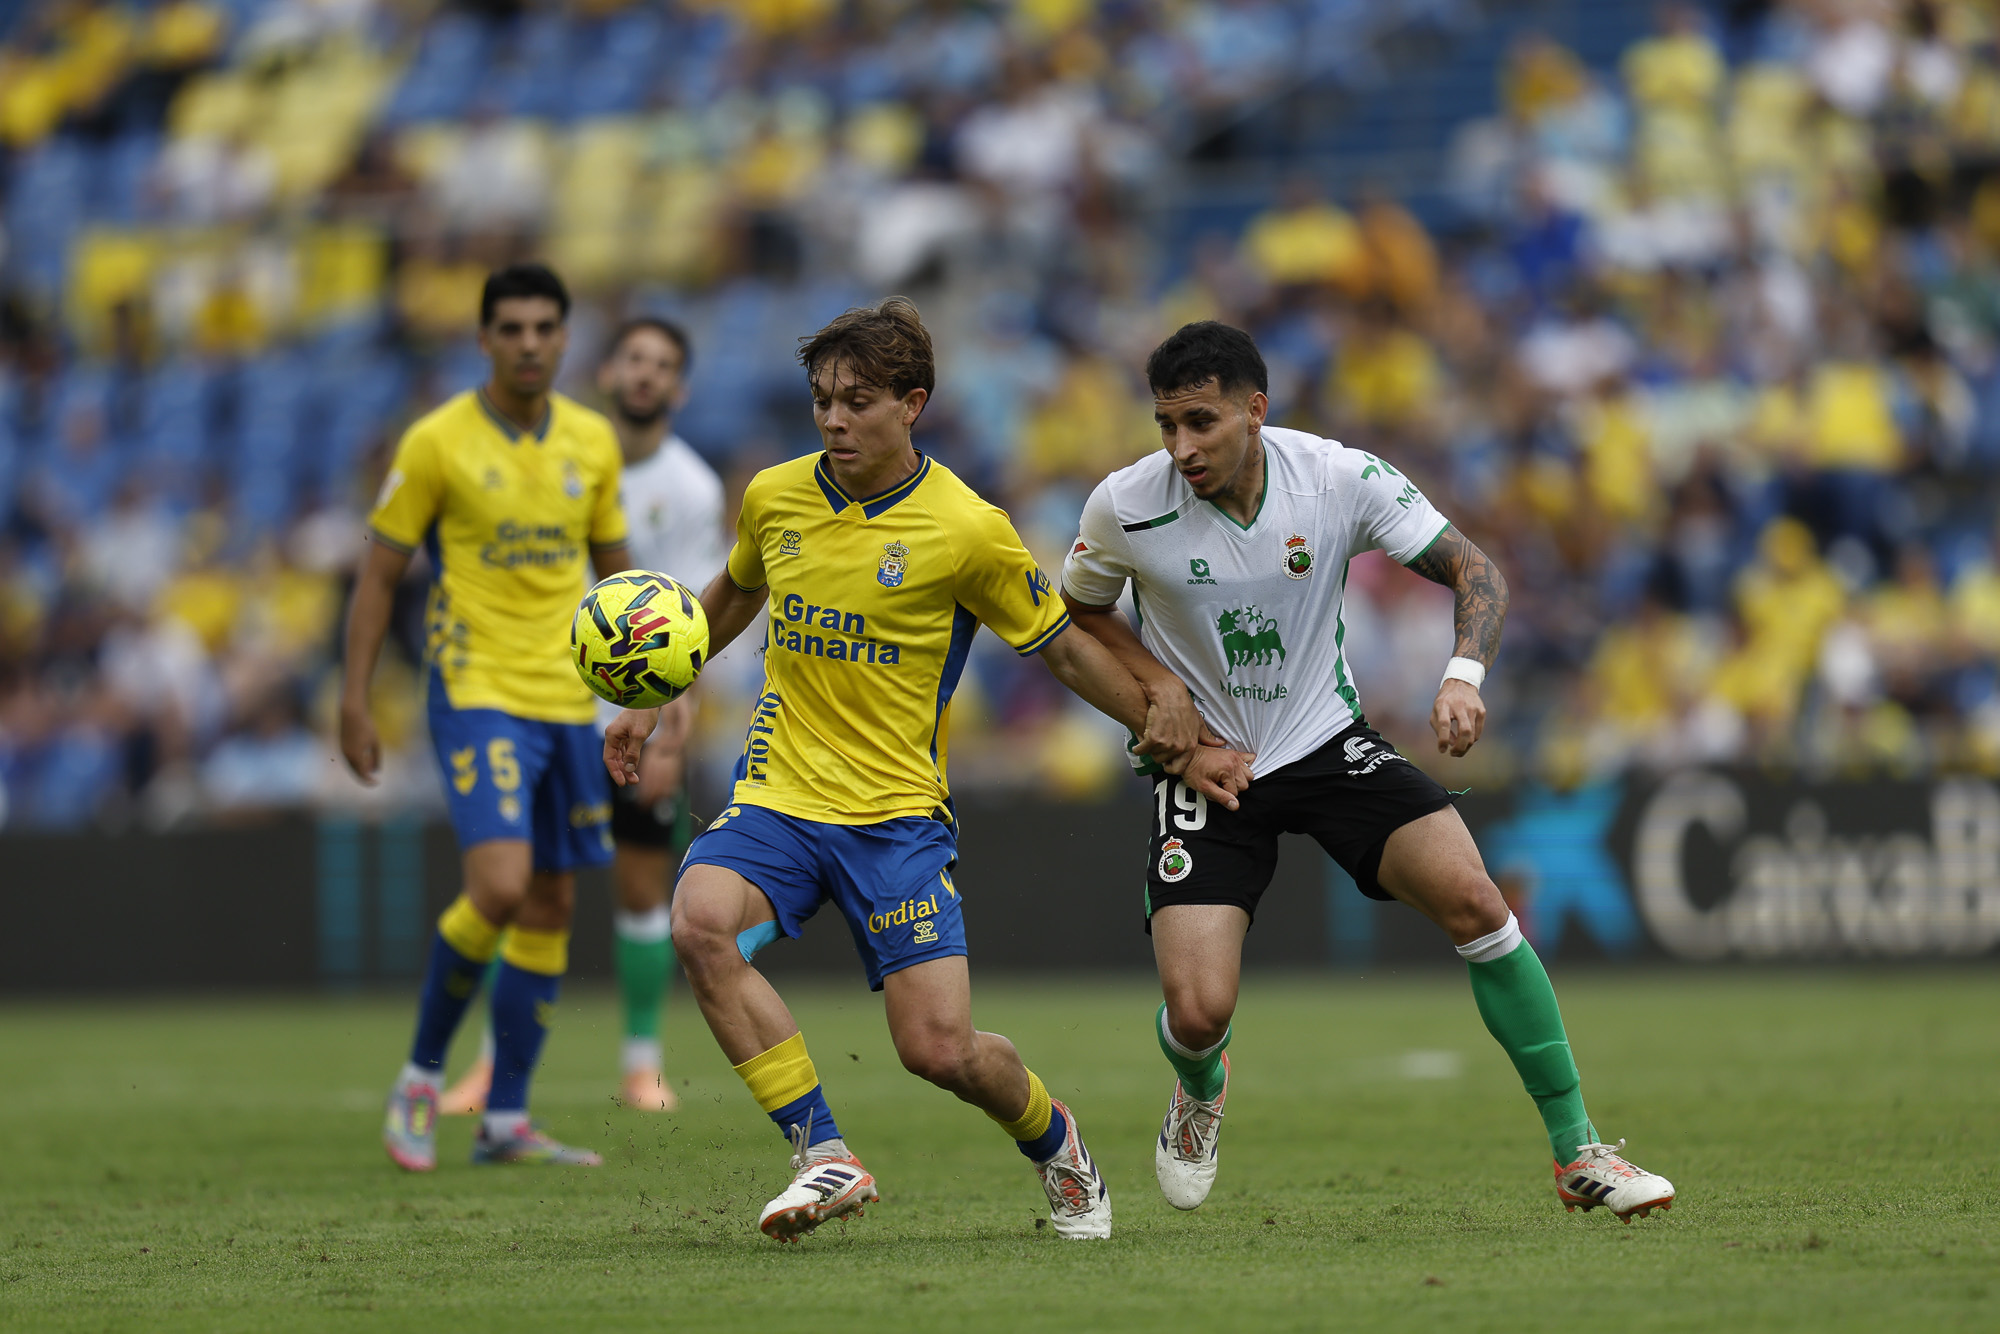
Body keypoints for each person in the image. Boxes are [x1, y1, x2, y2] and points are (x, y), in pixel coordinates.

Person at [603, 297, 1247, 1242]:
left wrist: (1177, 736)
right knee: (699, 924)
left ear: (913, 404)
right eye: (821, 398)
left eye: (856, 400)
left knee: (938, 1050)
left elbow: (1062, 648)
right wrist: (657, 690)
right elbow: (733, 593)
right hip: (778, 793)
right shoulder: (775, 497)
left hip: (897, 817)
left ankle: (1054, 1138)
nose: (832, 419)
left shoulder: (966, 528)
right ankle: (823, 1152)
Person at [1059, 321, 1676, 1222]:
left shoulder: (1337, 477)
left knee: (1478, 903)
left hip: (1323, 742)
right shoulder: (1124, 505)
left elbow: (1474, 567)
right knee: (1197, 1014)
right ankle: (1199, 1087)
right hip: (1209, 769)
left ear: (1254, 410)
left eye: (1201, 421)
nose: (1181, 447)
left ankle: (1580, 1151)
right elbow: (1075, 619)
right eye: (1165, 425)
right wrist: (1161, 695)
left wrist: (1463, 675)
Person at [342, 263, 629, 1170]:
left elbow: (624, 590)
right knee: (501, 886)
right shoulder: (435, 443)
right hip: (477, 690)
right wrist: (353, 698)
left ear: (566, 337)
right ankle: (422, 1077)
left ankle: (506, 1119)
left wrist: (648, 706)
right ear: (483, 340)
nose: (531, 343)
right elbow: (379, 575)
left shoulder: (593, 440)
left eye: (546, 326)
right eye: (512, 328)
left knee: (550, 901)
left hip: (569, 700)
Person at [437, 316, 725, 1117]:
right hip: (548, 709)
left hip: (640, 713)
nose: (646, 374)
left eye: (663, 364)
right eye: (635, 358)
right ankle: (495, 1065)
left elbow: (698, 619)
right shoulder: (564, 458)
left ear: (681, 387)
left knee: (639, 889)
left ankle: (642, 1066)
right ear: (606, 371)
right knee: (521, 887)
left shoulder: (693, 489)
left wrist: (675, 721)